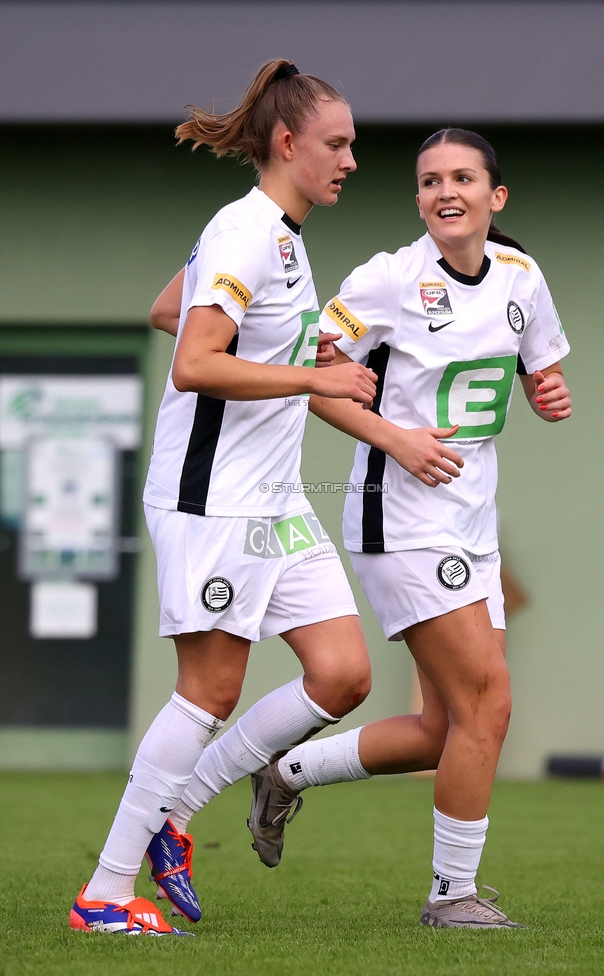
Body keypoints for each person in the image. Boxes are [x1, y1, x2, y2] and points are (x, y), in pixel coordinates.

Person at [70, 59, 377, 937]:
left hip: (274, 500)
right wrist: (309, 375)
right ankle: (103, 893)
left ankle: (176, 814)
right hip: (214, 502)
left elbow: (172, 305)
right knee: (208, 694)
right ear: (288, 143)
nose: (351, 159)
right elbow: (194, 359)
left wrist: (300, 377)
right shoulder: (248, 230)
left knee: (343, 673)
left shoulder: (274, 234)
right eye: (338, 143)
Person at [243, 128, 572, 929]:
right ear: (418, 200)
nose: (444, 192)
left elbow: (540, 366)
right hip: (401, 518)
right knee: (488, 706)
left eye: (463, 178)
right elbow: (308, 381)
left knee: (442, 729)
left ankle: (288, 769)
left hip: (472, 523)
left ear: (496, 199)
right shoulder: (388, 280)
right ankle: (450, 897)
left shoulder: (522, 277)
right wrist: (396, 437)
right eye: (429, 181)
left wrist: (547, 392)